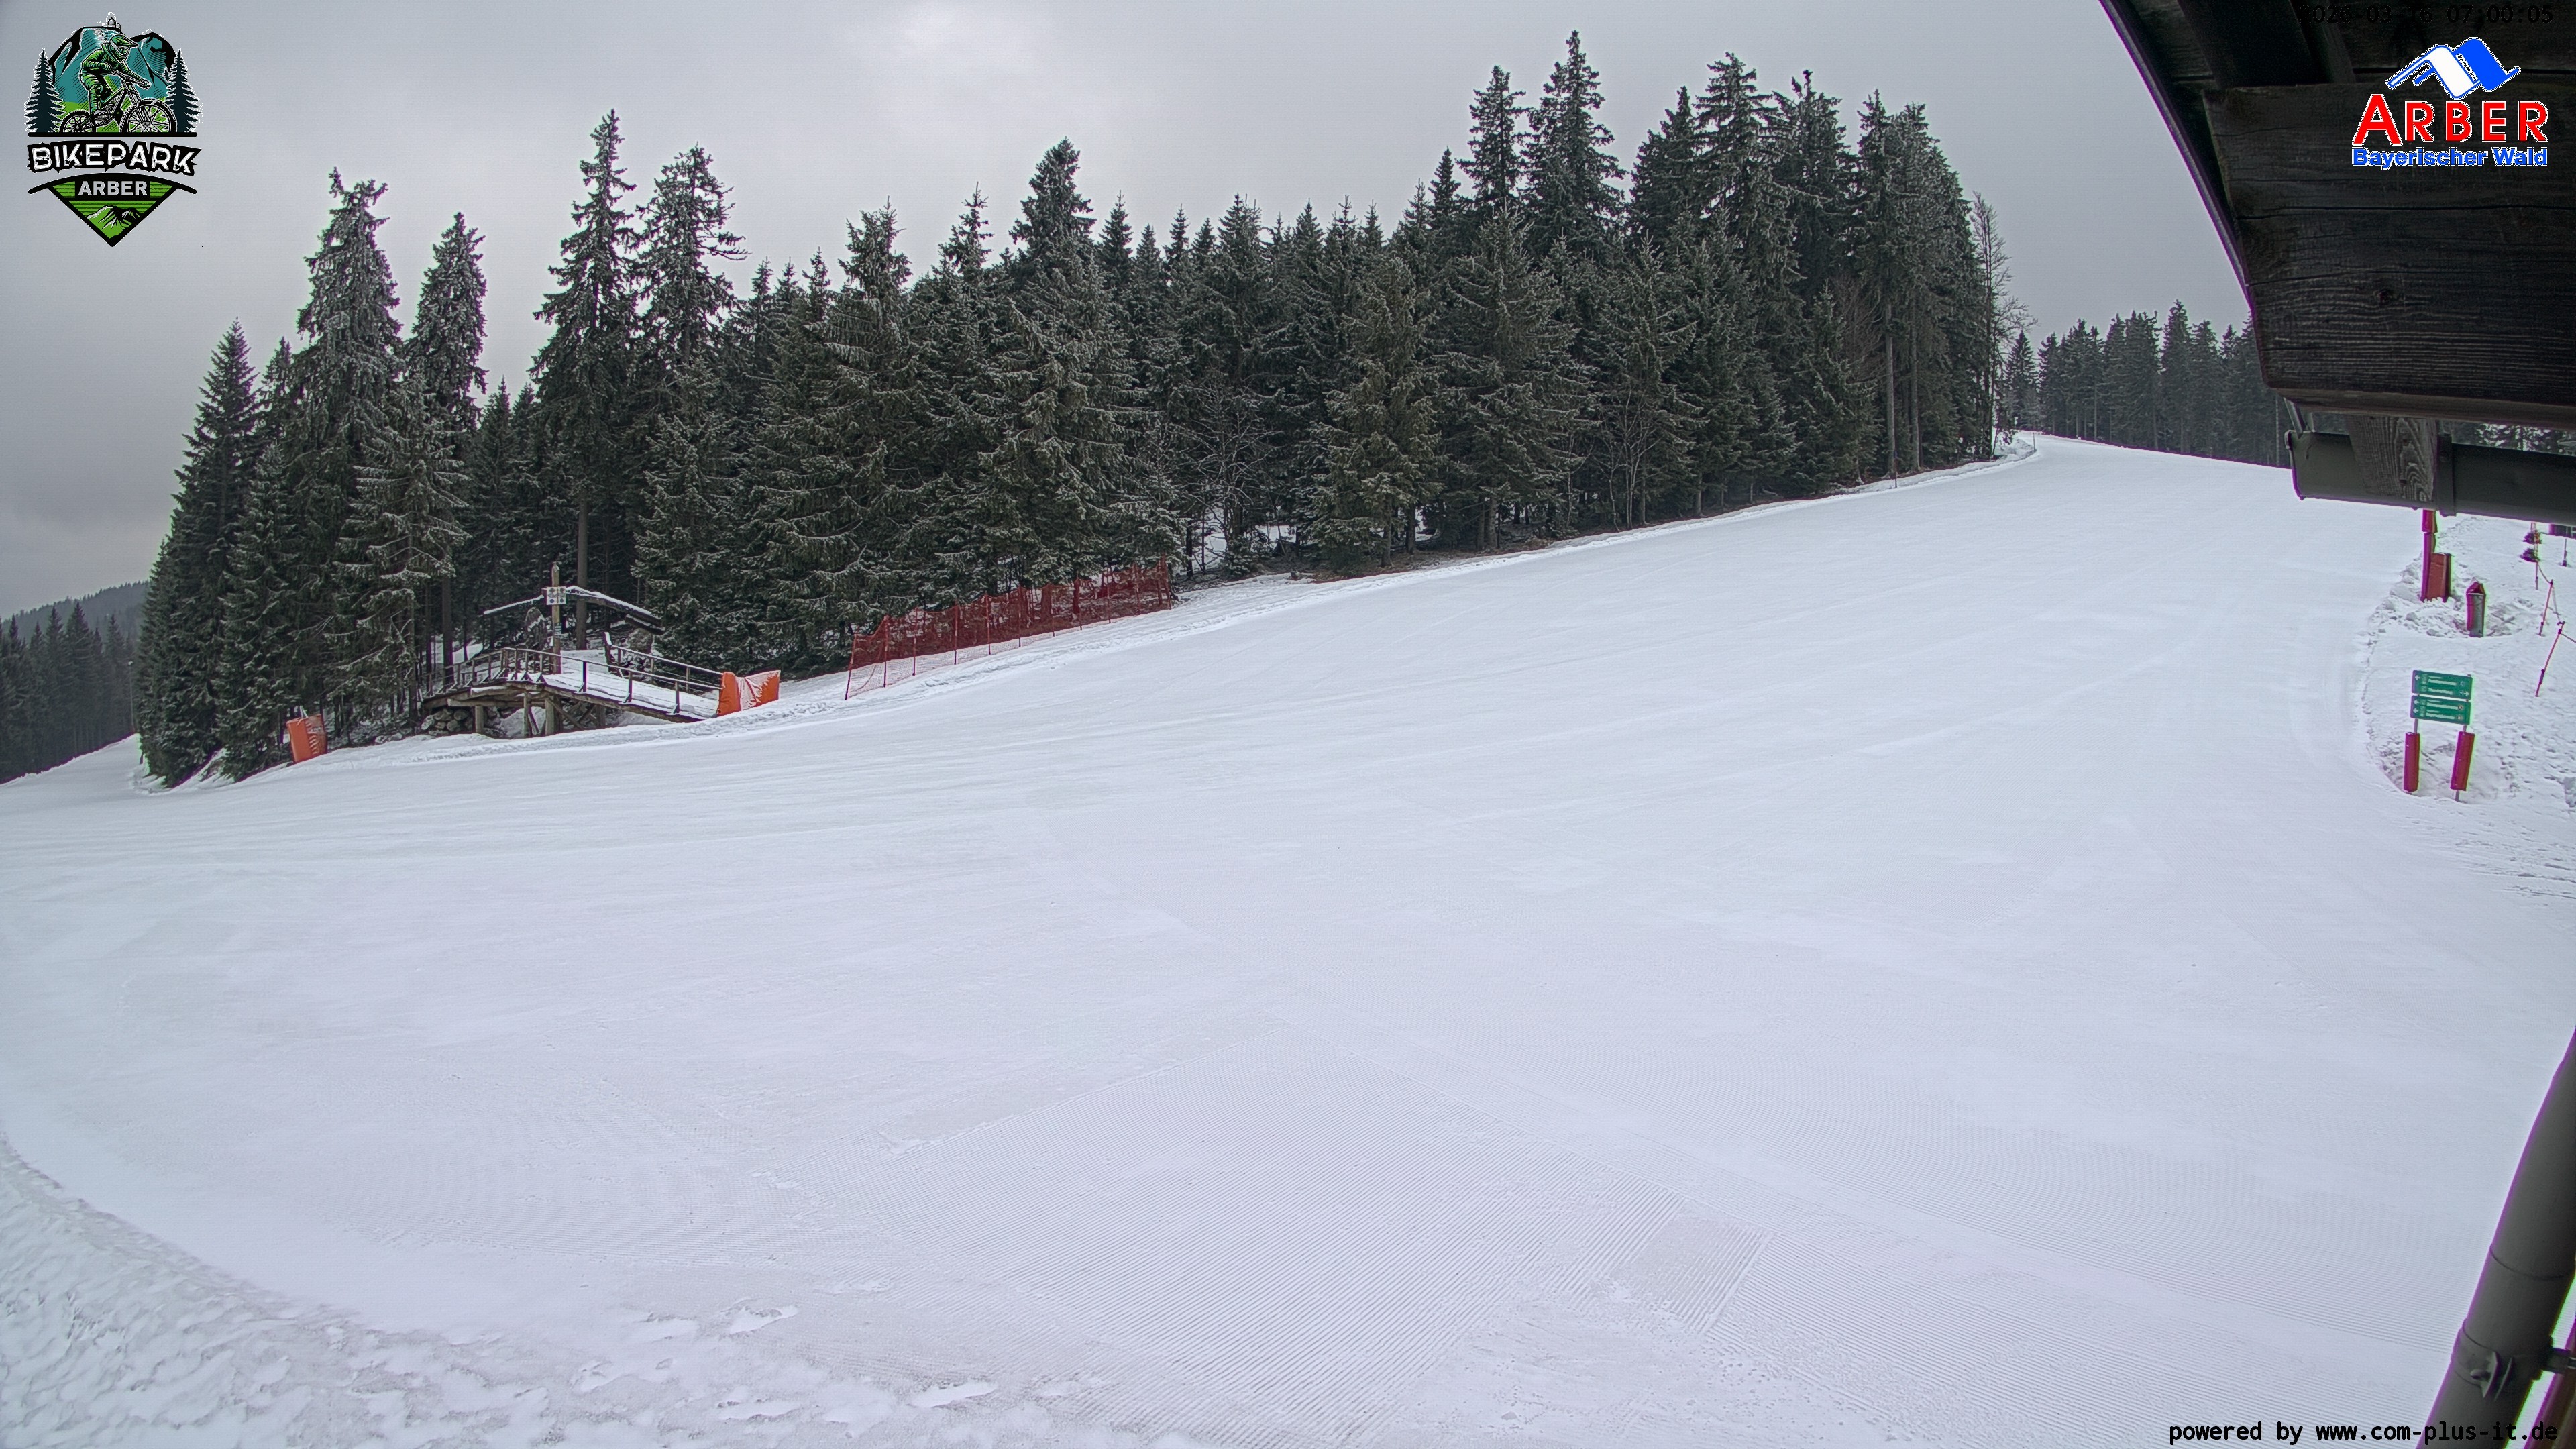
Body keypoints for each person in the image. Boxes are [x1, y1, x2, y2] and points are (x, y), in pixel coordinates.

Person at [77, 16, 148, 127]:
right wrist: (101, 65)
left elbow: (128, 72)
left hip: (99, 77)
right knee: (97, 87)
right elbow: (85, 64)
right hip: (88, 74)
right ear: (114, 47)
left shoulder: (118, 62)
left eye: (127, 51)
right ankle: (94, 112)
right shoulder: (102, 53)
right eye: (122, 50)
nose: (125, 54)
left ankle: (123, 127)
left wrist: (140, 81)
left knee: (114, 105)